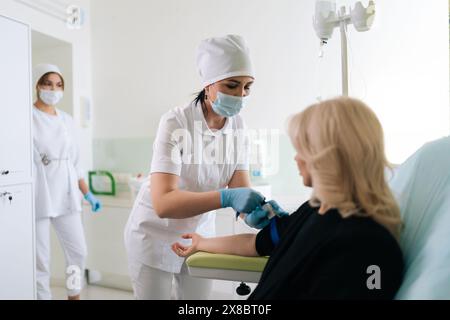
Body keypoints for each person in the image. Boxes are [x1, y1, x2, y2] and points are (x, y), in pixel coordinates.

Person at [172, 97, 404, 299]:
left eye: (302, 149)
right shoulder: (314, 210)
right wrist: (201, 243)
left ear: (328, 157)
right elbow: (254, 244)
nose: (296, 159)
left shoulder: (368, 244)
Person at [124, 35, 267, 300]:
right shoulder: (175, 122)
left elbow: (240, 190)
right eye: (232, 85)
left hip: (199, 237)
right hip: (154, 235)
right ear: (208, 85)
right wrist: (227, 198)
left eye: (247, 87)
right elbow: (164, 202)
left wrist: (256, 213)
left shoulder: (238, 126)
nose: (240, 95)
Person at [32, 64, 102, 300]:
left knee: (78, 252)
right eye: (48, 83)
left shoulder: (67, 120)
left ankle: (74, 294)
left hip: (67, 193)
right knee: (40, 259)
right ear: (37, 86)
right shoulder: (27, 117)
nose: (53, 89)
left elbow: (76, 162)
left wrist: (87, 193)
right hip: (38, 194)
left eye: (58, 85)